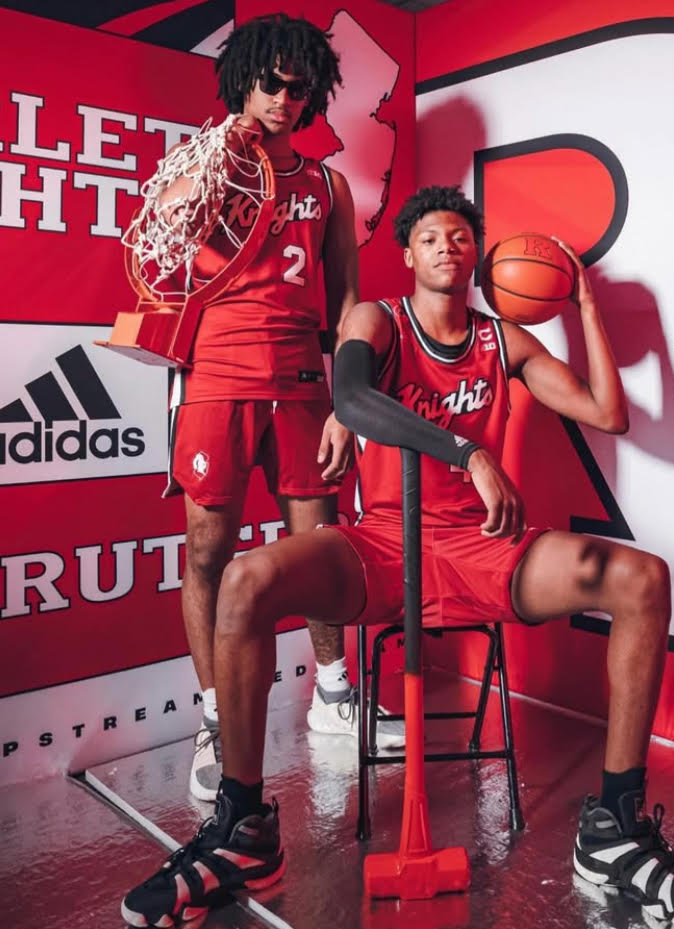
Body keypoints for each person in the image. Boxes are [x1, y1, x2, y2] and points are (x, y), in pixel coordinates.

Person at [122, 186, 674, 929]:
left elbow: (608, 412)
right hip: (383, 545)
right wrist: (467, 449)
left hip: (480, 548)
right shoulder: (377, 320)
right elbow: (348, 395)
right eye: (432, 237)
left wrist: (585, 309)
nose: (448, 246)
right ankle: (245, 830)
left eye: (461, 237)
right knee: (245, 579)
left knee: (643, 578)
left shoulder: (503, 338)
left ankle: (614, 830)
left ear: (476, 257)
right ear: (408, 254)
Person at [159, 12, 404, 805]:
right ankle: (214, 716)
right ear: (243, 81)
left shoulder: (328, 185)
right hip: (217, 375)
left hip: (303, 379)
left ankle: (333, 696)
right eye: (271, 83)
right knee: (208, 547)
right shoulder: (205, 168)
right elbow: (167, 242)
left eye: (299, 89)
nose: (284, 99)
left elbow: (350, 306)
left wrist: (348, 402)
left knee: (318, 548)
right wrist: (223, 152)